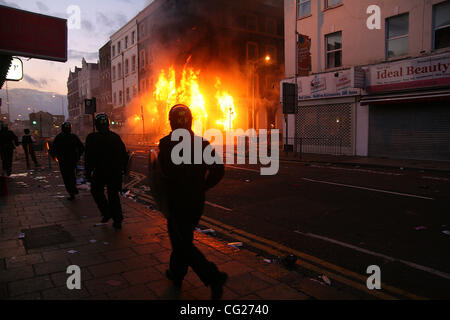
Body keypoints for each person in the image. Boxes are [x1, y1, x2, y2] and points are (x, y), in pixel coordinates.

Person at [157, 104, 228, 300]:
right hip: (196, 202)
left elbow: (159, 176)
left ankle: (213, 277)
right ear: (191, 121)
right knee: (182, 239)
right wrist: (203, 186)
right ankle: (176, 274)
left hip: (176, 203)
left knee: (181, 243)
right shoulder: (203, 144)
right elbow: (218, 171)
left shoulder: (165, 144)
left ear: (171, 122)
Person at [85, 114, 128, 230]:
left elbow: (88, 157)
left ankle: (106, 212)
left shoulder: (91, 138)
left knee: (96, 191)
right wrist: (124, 170)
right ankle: (117, 220)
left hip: (100, 172)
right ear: (108, 124)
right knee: (113, 195)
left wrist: (87, 173)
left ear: (96, 125)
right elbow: (124, 155)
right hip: (114, 172)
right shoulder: (115, 137)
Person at [50, 122, 84, 201]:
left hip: (63, 160)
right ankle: (73, 190)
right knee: (72, 175)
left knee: (66, 176)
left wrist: (55, 157)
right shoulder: (73, 137)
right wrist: (78, 156)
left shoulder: (59, 137)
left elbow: (53, 149)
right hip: (72, 160)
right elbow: (81, 147)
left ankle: (71, 192)